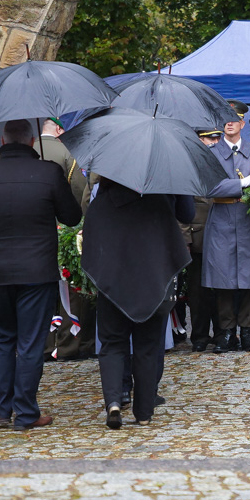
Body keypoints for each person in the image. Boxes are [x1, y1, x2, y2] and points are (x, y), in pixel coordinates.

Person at [0, 119, 81, 430]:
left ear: (2, 140)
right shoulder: (48, 172)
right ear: (32, 142)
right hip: (37, 271)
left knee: (2, 339)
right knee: (30, 342)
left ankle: (1, 410)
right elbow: (71, 216)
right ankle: (26, 412)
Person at [82, 179, 193, 428]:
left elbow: (90, 239)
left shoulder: (103, 200)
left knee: (112, 343)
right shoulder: (162, 192)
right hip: (154, 277)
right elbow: (188, 214)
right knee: (148, 346)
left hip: (113, 280)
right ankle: (143, 413)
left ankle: (113, 401)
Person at [203, 100, 250, 353]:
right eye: (225, 118)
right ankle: (226, 333)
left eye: (235, 118)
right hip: (221, 219)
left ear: (243, 123)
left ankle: (249, 333)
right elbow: (208, 188)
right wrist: (244, 184)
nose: (230, 123)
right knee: (224, 280)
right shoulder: (210, 154)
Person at [36, 117, 94, 362]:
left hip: (33, 231)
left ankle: (45, 345)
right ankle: (68, 343)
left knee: (40, 291)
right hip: (62, 228)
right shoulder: (68, 153)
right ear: (59, 129)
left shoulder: (28, 150)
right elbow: (81, 193)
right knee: (68, 289)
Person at [182, 128, 222, 352]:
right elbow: (183, 203)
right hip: (197, 237)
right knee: (197, 292)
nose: (213, 142)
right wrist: (185, 238)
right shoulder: (188, 165)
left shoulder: (222, 162)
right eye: (209, 138)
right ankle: (199, 335)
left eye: (217, 138)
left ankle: (221, 332)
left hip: (221, 236)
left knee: (221, 289)